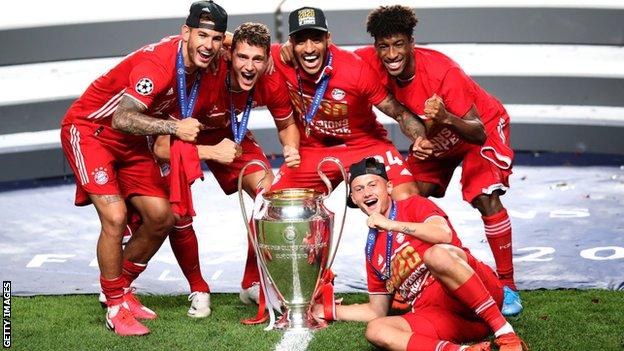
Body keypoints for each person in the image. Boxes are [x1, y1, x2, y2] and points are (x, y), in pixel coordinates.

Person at [60, 0, 227, 336]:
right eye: (201, 36)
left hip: (133, 143)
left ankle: (121, 287)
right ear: (185, 33)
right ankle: (115, 304)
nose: (208, 46)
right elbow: (122, 117)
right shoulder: (158, 65)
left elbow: (240, 41)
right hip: (92, 132)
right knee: (115, 217)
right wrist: (173, 128)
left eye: (216, 38)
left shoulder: (203, 55)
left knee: (161, 216)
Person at [354, 5, 522, 316]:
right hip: (436, 140)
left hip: (475, 128)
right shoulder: (367, 59)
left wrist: (445, 117)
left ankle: (507, 285)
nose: (391, 54)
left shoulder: (445, 73)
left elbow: (478, 133)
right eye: (384, 46)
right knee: (406, 194)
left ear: (412, 43)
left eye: (398, 44)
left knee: (484, 195)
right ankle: (420, 275)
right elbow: (331, 55)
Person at [152, 22, 300, 308]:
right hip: (179, 138)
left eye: (258, 59)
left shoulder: (270, 79)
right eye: (242, 57)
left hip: (229, 132)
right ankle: (198, 288)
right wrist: (211, 152)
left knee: (268, 196)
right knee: (173, 211)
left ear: (267, 60)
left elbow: (287, 124)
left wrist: (290, 147)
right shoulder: (205, 72)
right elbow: (161, 149)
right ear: (229, 55)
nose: (249, 66)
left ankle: (251, 282)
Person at [315, 157, 527, 351]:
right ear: (353, 198)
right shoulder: (372, 251)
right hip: (446, 318)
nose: (367, 193)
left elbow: (443, 234)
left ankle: (505, 332)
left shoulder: (414, 206)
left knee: (435, 255)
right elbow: (376, 311)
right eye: (359, 189)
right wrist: (328, 310)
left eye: (373, 185)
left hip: (478, 292)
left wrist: (391, 225)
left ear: (388, 187)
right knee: (376, 329)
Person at [271, 6, 432, 198]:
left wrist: (420, 138)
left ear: (328, 39)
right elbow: (235, 43)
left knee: (408, 199)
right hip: (310, 150)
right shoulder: (278, 58)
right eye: (300, 41)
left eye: (316, 39)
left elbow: (399, 113)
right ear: (290, 42)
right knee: (273, 211)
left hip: (365, 146)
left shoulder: (355, 69)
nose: (309, 49)